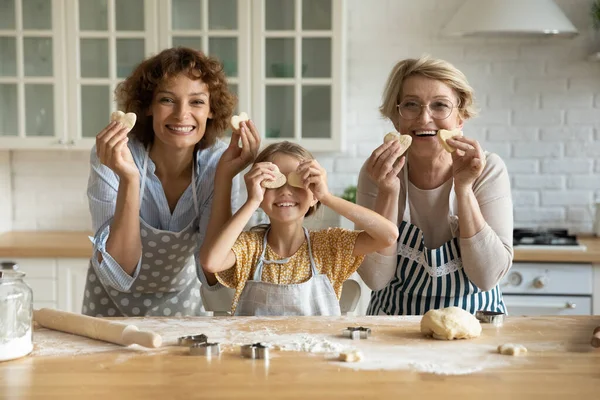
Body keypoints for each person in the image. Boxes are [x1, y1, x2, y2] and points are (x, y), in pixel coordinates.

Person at [84, 47, 260, 317]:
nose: (181, 114)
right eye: (167, 100)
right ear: (148, 107)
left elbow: (213, 273)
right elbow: (118, 271)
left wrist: (225, 177)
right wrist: (130, 179)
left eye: (197, 102)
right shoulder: (114, 154)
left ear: (212, 110)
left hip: (184, 306)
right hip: (110, 303)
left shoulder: (219, 163)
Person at [357, 55, 513, 316]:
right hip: (393, 324)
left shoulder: (488, 169)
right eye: (411, 105)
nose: (424, 118)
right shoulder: (377, 171)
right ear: (396, 119)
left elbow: (487, 277)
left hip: (475, 323)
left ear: (460, 118)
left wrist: (463, 189)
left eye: (440, 106)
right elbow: (375, 278)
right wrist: (388, 192)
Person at [198, 141, 399, 316]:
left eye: (297, 183)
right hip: (259, 358)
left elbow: (388, 235)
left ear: (313, 197)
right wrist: (252, 200)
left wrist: (327, 197)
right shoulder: (250, 247)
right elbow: (210, 261)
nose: (285, 191)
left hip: (315, 356)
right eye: (273, 184)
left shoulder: (329, 246)